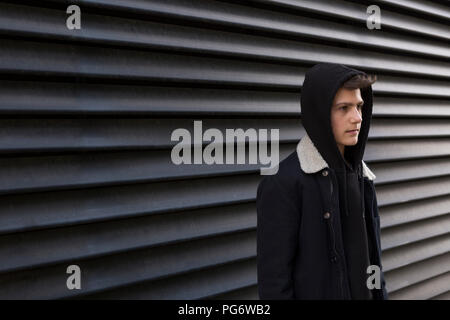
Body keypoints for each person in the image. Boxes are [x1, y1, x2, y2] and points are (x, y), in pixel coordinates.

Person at [256, 63, 388, 300]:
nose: (357, 118)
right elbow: (274, 284)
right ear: (319, 112)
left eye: (359, 106)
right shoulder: (282, 182)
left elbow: (373, 262)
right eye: (343, 108)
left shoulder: (363, 178)